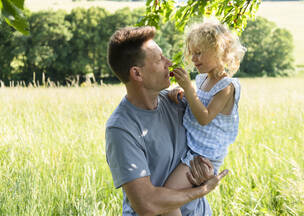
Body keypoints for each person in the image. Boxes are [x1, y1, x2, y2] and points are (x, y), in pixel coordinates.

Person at [105, 26, 228, 216]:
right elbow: (146, 204)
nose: (168, 63)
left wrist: (206, 173)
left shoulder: (176, 102)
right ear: (137, 74)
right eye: (159, 59)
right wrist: (202, 190)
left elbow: (210, 140)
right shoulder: (121, 129)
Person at [163, 22, 246, 216]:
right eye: (192, 53)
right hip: (195, 147)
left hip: (205, 155)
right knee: (172, 198)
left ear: (219, 51)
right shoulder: (202, 79)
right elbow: (197, 103)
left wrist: (190, 91)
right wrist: (183, 93)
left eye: (199, 53)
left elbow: (204, 117)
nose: (193, 58)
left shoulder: (226, 86)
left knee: (167, 198)